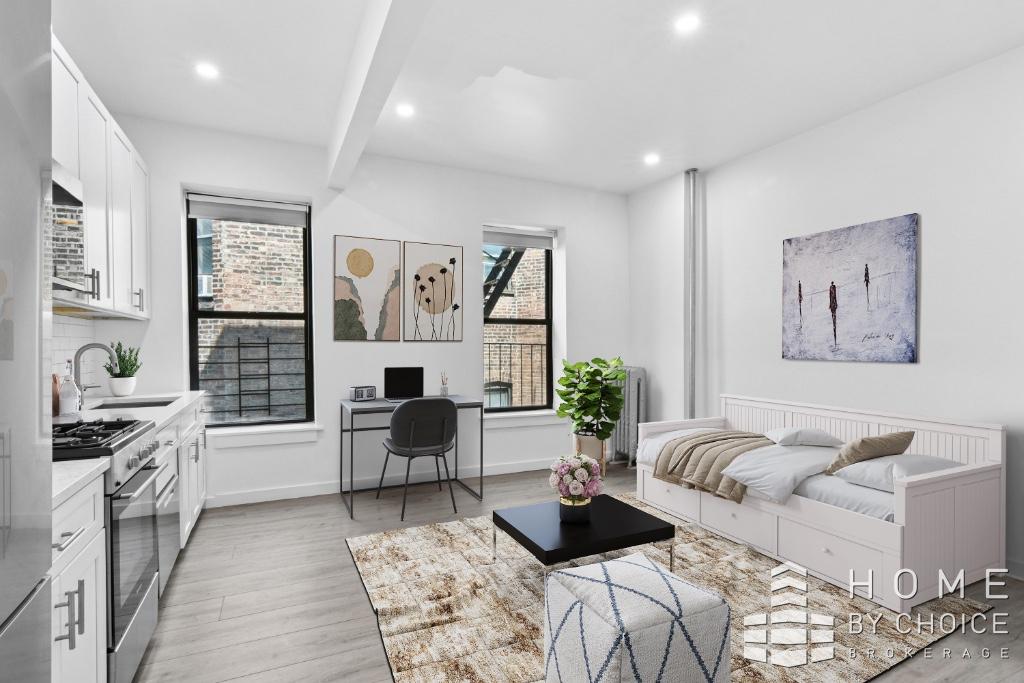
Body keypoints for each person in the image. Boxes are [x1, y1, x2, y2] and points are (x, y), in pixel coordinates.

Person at [829, 281, 838, 347]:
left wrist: (835, 303)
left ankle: (834, 326)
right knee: (833, 316)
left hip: (833, 305)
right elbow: (831, 297)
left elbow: (834, 296)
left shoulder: (833, 287)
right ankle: (834, 326)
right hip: (832, 305)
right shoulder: (831, 288)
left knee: (834, 317)